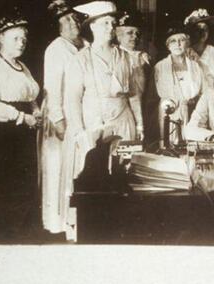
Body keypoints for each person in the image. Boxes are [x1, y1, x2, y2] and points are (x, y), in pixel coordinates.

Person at [62, 1, 143, 238]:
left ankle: (125, 226)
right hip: (92, 123)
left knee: (124, 173)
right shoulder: (80, 60)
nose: (111, 26)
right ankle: (93, 228)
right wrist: (79, 132)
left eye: (112, 22)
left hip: (123, 120)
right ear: (93, 26)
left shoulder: (126, 58)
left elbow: (135, 94)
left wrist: (140, 124)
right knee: (92, 175)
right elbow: (72, 100)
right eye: (106, 22)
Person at [0, 12, 41, 242]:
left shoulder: (22, 66)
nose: (21, 42)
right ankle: (7, 236)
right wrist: (22, 117)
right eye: (15, 38)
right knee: (8, 182)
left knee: (25, 182)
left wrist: (35, 111)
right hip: (4, 133)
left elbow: (30, 94)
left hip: (25, 130)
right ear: (1, 38)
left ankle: (24, 233)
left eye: (23, 39)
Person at [39, 0, 87, 237]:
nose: (73, 22)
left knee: (79, 167)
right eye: (66, 20)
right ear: (58, 26)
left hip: (82, 116)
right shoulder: (56, 49)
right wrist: (58, 120)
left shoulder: (87, 45)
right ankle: (57, 222)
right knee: (58, 168)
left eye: (75, 17)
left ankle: (79, 220)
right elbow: (52, 88)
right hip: (62, 117)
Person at [154, 24, 206, 143]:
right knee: (168, 145)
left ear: (187, 43)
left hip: (191, 112)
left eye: (181, 40)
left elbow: (204, 92)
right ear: (168, 46)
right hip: (168, 113)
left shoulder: (195, 66)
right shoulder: (160, 67)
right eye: (173, 41)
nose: (177, 44)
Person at [184, 8, 214, 89]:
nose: (203, 33)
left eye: (205, 29)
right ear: (191, 32)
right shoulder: (184, 53)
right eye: (198, 29)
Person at [116, 11, 151, 96]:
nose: (135, 37)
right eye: (130, 33)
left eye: (137, 33)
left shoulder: (144, 58)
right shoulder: (115, 55)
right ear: (119, 35)